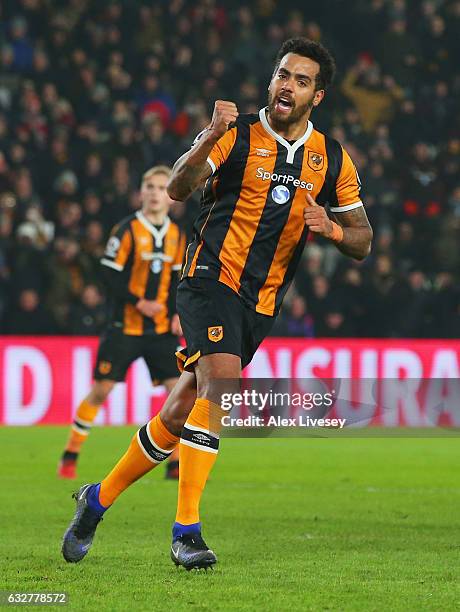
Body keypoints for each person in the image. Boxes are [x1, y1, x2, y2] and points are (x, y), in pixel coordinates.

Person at [61, 38, 372, 570]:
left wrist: (334, 231)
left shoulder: (333, 157)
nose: (286, 86)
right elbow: (180, 188)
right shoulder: (236, 134)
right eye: (281, 74)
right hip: (208, 278)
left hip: (261, 303)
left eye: (300, 81)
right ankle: (187, 532)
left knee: (183, 407)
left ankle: (97, 499)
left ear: (317, 97)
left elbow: (363, 240)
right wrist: (207, 137)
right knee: (222, 390)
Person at [58, 165, 185, 481]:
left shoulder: (177, 236)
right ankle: (70, 453)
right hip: (124, 327)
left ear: (171, 196)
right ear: (141, 192)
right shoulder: (127, 230)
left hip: (159, 332)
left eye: (161, 187)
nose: (155, 193)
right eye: (150, 187)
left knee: (180, 393)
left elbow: (178, 278)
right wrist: (138, 302)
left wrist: (178, 313)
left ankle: (175, 463)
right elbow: (109, 276)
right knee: (101, 390)